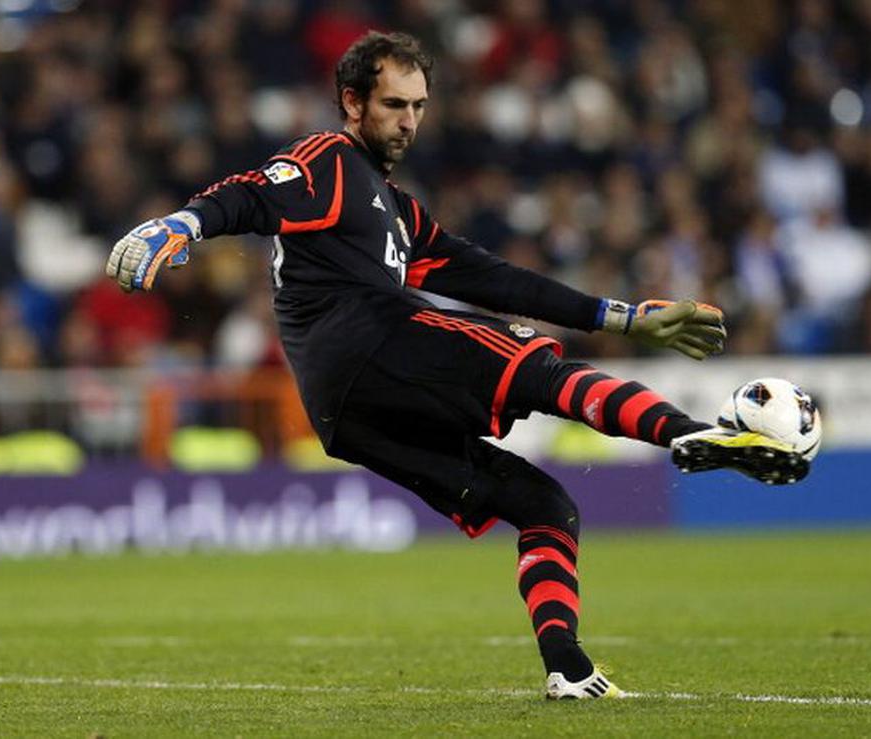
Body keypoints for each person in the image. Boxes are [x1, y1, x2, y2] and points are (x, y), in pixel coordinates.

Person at [106, 32, 807, 700]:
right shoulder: (329, 160)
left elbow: (489, 276)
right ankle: (689, 433)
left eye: (418, 107)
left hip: (345, 412)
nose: (409, 122)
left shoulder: (396, 212)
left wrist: (620, 316)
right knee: (538, 366)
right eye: (393, 105)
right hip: (371, 339)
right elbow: (255, 194)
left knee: (545, 506)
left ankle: (567, 666)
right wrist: (182, 224)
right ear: (353, 102)